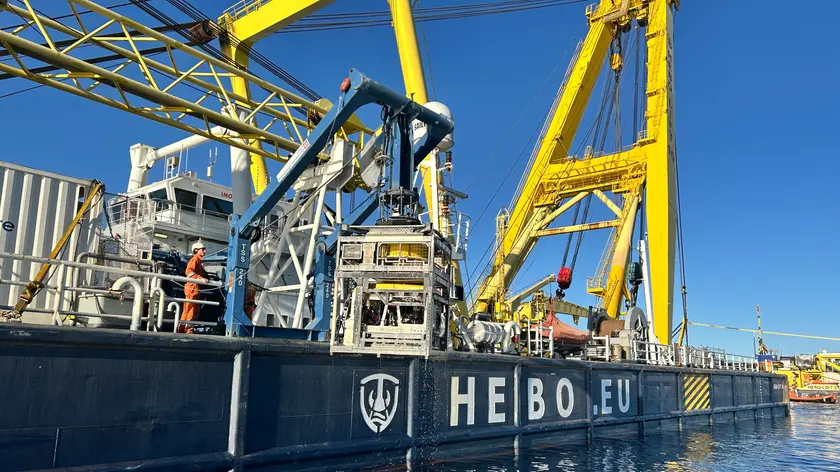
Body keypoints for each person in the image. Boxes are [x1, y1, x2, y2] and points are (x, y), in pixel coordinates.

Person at [180, 241, 207, 334]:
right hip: (192, 288)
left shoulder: (198, 261)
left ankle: (183, 329)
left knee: (191, 309)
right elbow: (189, 272)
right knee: (190, 309)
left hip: (194, 288)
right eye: (202, 249)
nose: (204, 251)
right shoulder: (194, 260)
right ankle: (186, 330)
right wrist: (200, 278)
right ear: (196, 250)